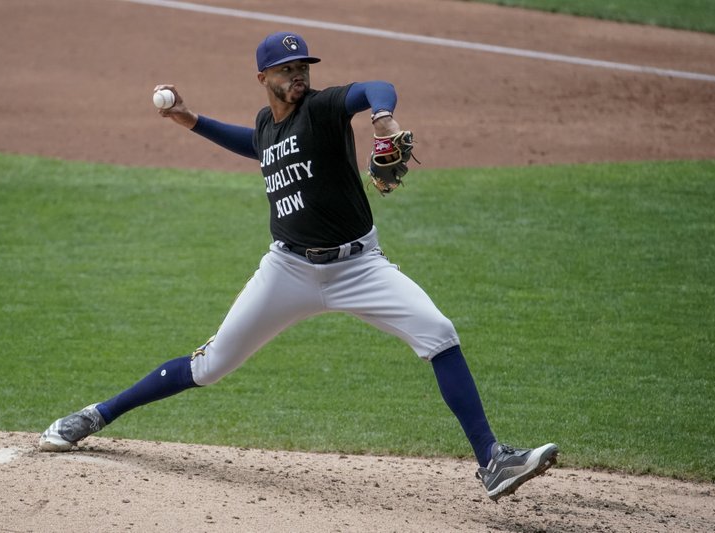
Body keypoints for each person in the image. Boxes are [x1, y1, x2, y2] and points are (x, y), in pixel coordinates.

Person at [39, 31, 558, 501]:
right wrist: (190, 120)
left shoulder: (325, 108)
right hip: (286, 271)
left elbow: (376, 85)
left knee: (438, 332)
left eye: (303, 68)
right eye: (287, 71)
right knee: (210, 365)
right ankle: (95, 415)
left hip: (360, 269)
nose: (298, 77)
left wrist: (382, 117)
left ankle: (492, 460)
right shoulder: (269, 123)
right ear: (263, 78)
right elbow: (257, 145)